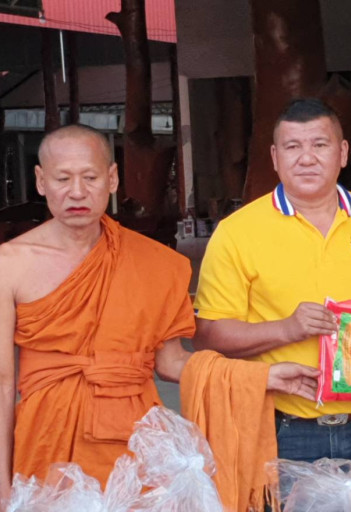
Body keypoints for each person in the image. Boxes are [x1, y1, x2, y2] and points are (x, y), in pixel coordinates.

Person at [0, 124, 318, 497]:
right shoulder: (10, 264)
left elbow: (171, 363)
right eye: (62, 179)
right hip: (46, 442)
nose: (77, 191)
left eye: (90, 177)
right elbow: (3, 382)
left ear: (112, 178)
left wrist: (261, 375)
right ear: (41, 181)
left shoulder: (151, 262)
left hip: (136, 445)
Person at [193, 98, 351, 504]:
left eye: (319, 144)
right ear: (275, 157)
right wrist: (287, 329)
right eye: (293, 146)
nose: (307, 158)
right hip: (283, 426)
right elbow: (209, 335)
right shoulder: (237, 232)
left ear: (343, 153)